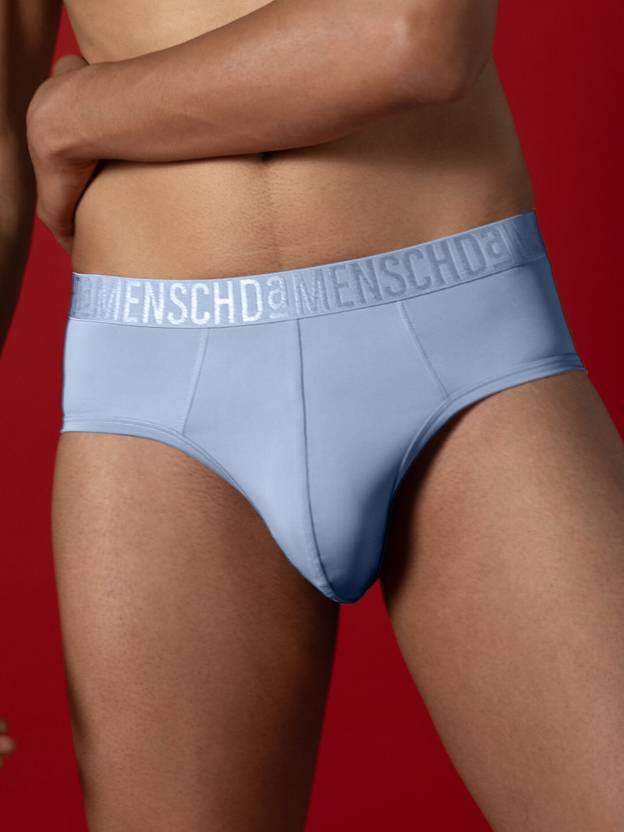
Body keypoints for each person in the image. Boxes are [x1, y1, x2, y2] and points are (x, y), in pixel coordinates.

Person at [2, 0, 623, 828]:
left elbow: (414, 34)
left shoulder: (74, 114)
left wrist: (76, 114)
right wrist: (54, 122)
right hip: (157, 389)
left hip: (459, 344)